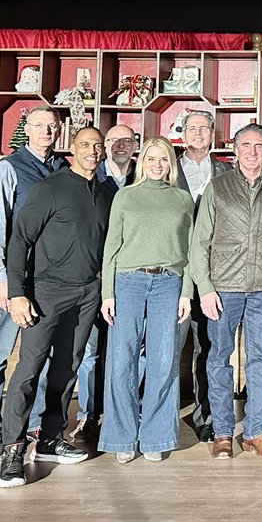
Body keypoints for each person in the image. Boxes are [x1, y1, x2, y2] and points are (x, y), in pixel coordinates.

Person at [0, 127, 112, 488]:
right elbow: (19, 240)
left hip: (87, 293)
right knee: (29, 370)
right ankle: (13, 448)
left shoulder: (107, 192)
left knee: (66, 369)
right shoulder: (52, 187)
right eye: (85, 146)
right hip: (45, 293)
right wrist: (18, 293)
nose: (92, 152)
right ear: (72, 149)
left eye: (97, 146)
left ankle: (49, 439)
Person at [188, 123, 262, 460]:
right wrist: (205, 288)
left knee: (260, 361)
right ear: (235, 150)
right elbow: (199, 243)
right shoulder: (218, 187)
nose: (252, 152)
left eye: (259, 146)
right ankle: (222, 432)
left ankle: (253, 432)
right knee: (218, 359)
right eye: (246, 145)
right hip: (223, 289)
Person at [0, 105, 67, 459]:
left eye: (52, 126)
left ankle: (33, 427)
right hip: (14, 281)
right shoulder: (9, 169)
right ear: (26, 130)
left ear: (60, 131)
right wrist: (1, 280)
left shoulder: (62, 168)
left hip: (49, 283)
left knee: (40, 359)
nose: (47, 131)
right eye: (39, 125)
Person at [97, 136, 195, 464]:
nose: (157, 165)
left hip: (169, 283)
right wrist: (107, 293)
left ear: (171, 164)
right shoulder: (125, 197)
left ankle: (156, 435)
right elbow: (111, 246)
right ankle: (122, 437)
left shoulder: (183, 199)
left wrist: (187, 292)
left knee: (163, 360)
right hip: (128, 282)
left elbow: (192, 251)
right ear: (142, 162)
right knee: (121, 361)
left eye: (163, 160)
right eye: (151, 159)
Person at [73, 123, 139, 445]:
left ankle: (126, 411)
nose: (120, 146)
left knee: (131, 350)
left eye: (127, 141)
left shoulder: (144, 179)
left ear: (135, 146)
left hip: (130, 280)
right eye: (113, 141)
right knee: (90, 351)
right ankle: (88, 415)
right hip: (92, 279)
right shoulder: (91, 179)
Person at [175, 110, 231, 444]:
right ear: (182, 133)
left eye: (204, 129)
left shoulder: (225, 170)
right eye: (192, 128)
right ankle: (161, 418)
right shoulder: (168, 167)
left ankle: (206, 416)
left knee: (208, 347)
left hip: (215, 273)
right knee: (168, 347)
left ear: (213, 134)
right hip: (177, 267)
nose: (198, 134)